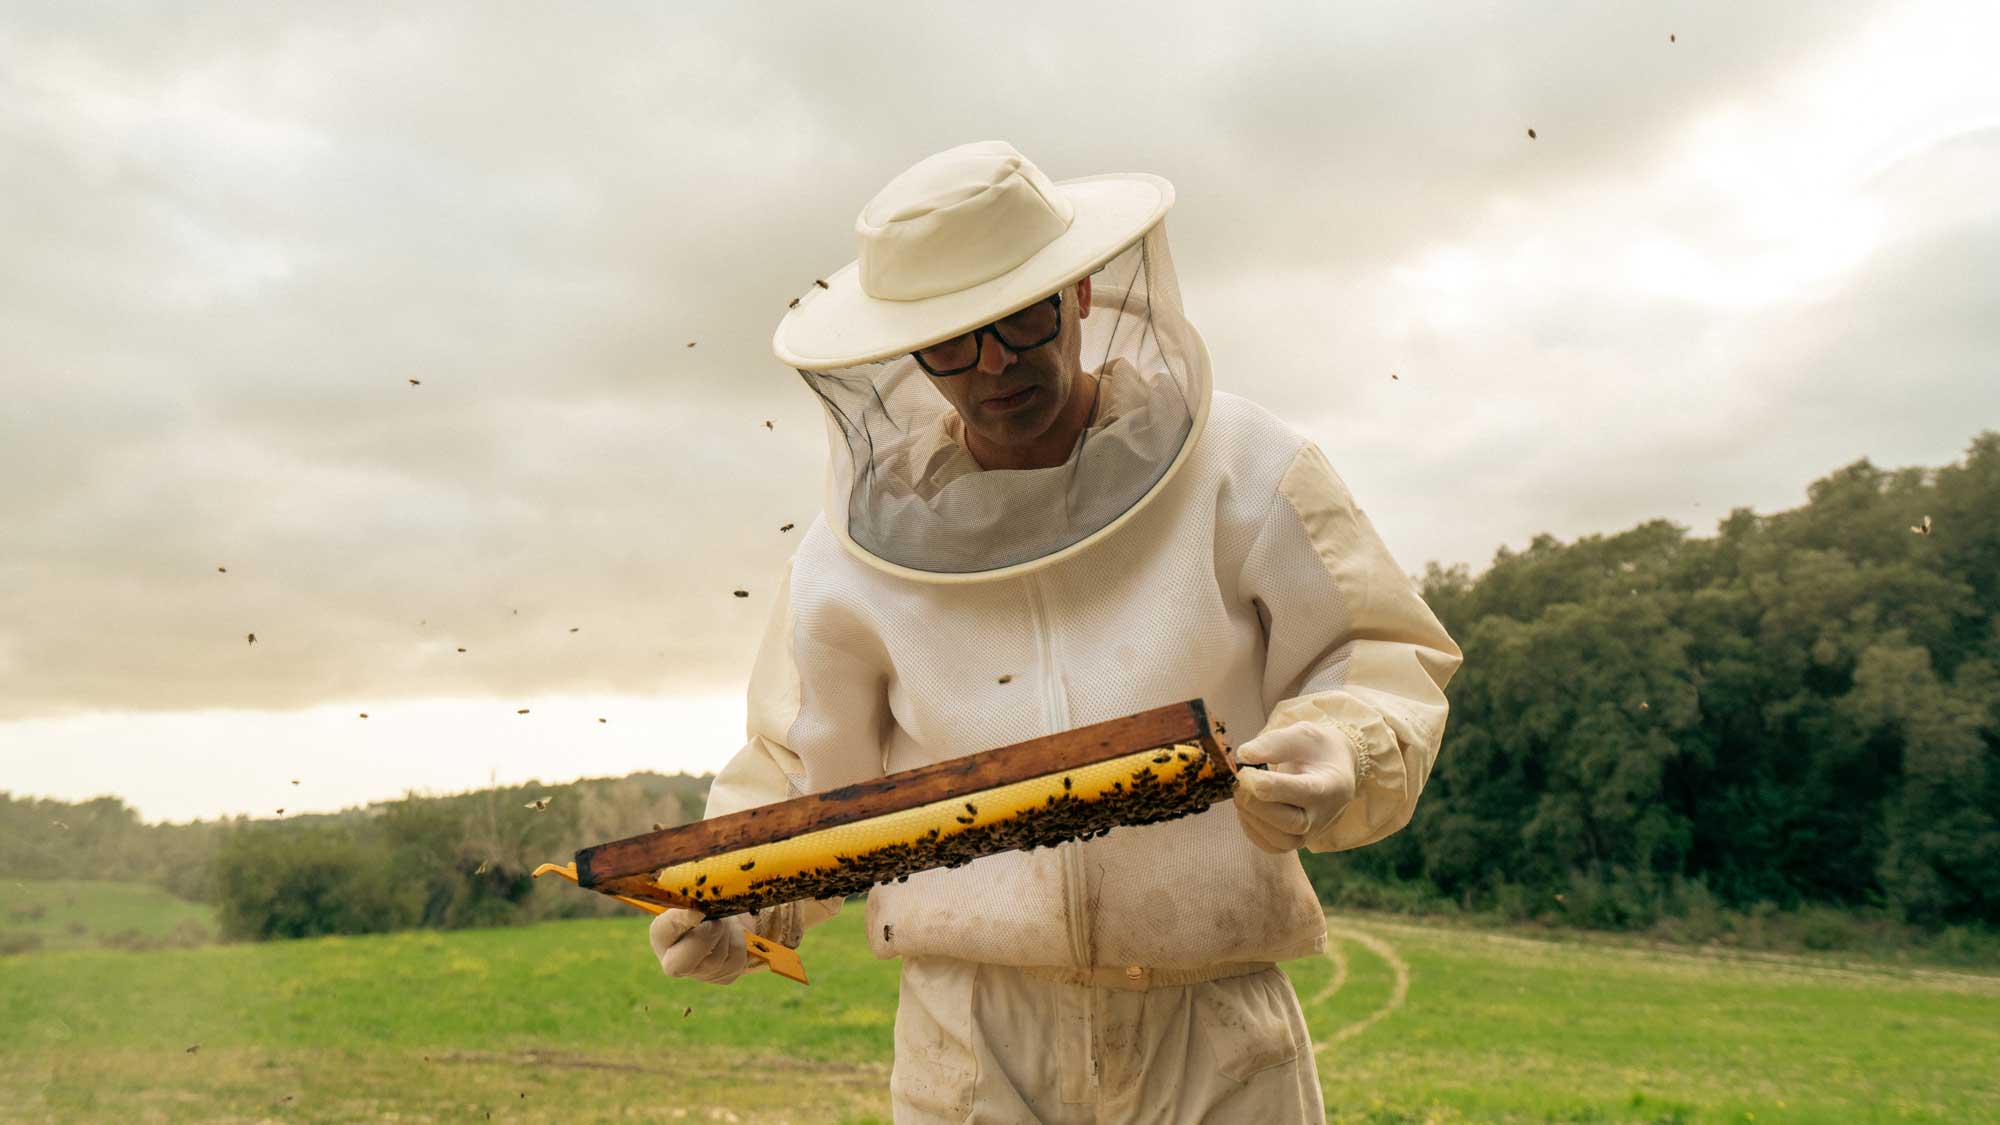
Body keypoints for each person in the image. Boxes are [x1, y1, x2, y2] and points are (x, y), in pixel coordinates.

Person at [650, 141, 1462, 1123]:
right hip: (972, 1044)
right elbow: (808, 776)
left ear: (1078, 292)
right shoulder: (850, 558)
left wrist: (1344, 744)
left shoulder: (1246, 466)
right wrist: (741, 898)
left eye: (1020, 319)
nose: (994, 364)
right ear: (908, 351)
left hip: (1210, 1026)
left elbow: (1374, 654)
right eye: (954, 342)